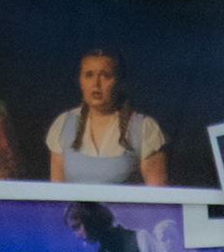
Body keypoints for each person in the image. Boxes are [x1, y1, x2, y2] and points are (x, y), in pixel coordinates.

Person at [46, 46, 169, 189]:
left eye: (105, 76)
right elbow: (56, 192)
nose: (96, 84)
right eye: (89, 75)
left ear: (120, 82)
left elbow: (157, 196)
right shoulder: (64, 124)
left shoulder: (144, 129)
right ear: (80, 81)